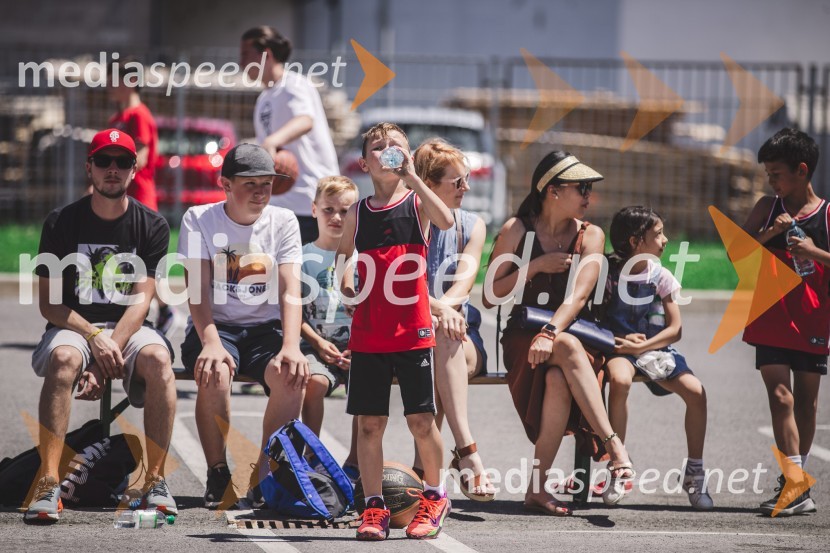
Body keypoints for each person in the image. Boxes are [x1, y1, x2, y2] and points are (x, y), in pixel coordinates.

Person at [26, 128, 177, 521]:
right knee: (62, 357)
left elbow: (141, 303)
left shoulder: (153, 226)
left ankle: (156, 481)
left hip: (125, 327)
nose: (113, 169)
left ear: (134, 170)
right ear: (88, 167)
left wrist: (102, 355)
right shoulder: (61, 222)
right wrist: (93, 338)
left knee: (159, 360)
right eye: (104, 161)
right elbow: (49, 304)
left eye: (122, 162)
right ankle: (47, 482)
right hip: (75, 326)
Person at [483, 150, 634, 515]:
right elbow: (490, 294)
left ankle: (536, 488)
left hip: (575, 335)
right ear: (552, 190)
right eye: (581, 187)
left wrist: (551, 331)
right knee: (563, 349)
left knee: (558, 377)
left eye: (589, 188)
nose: (588, 196)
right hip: (524, 338)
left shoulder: (591, 235)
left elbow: (581, 295)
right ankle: (617, 451)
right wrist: (535, 266)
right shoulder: (516, 230)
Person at [336, 123, 454, 540]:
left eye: (396, 146)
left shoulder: (417, 203)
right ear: (365, 162)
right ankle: (373, 507)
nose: (387, 151)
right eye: (377, 147)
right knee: (370, 424)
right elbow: (346, 258)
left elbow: (447, 218)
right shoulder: (358, 211)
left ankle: (436, 496)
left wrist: (412, 176)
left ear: (407, 155)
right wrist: (346, 279)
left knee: (421, 420)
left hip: (412, 330)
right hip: (370, 332)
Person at [177, 143, 309, 509]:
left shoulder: (283, 221)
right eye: (250, 183)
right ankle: (217, 471)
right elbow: (197, 292)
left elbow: (290, 291)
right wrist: (211, 341)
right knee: (215, 369)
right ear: (225, 184)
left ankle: (265, 475)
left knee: (291, 375)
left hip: (265, 330)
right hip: (215, 326)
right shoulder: (199, 219)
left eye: (266, 183)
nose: (260, 191)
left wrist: (292, 346)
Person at [740, 128, 827, 516]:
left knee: (806, 403)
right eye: (768, 174)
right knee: (781, 398)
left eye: (776, 173)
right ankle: (794, 484)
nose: (770, 181)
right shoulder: (766, 207)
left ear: (802, 170)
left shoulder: (826, 214)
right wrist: (769, 234)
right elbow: (739, 256)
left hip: (813, 320)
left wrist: (813, 251)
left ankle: (797, 484)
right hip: (770, 317)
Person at [603, 206, 712, 510]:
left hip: (655, 349)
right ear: (637, 241)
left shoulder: (661, 276)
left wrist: (645, 345)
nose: (665, 240)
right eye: (658, 234)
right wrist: (620, 343)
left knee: (697, 393)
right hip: (618, 349)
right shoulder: (608, 273)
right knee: (619, 380)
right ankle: (618, 466)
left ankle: (694, 472)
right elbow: (594, 319)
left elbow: (675, 329)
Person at [409, 139, 495, 501]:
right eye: (457, 182)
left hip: (458, 332)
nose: (467, 188)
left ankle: (426, 468)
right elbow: (398, 287)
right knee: (438, 346)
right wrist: (438, 311)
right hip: (409, 328)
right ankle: (465, 454)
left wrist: (443, 310)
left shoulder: (471, 225)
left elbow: (465, 281)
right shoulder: (403, 219)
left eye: (467, 179)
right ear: (428, 183)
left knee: (444, 340)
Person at [240, 25, 340, 244]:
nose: (241, 63)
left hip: (310, 200)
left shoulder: (294, 84)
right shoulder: (264, 99)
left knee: (309, 276)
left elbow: (305, 120)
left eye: (246, 55)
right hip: (280, 203)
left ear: (265, 54)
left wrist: (272, 141)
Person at [107, 58, 178, 335]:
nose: (109, 85)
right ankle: (148, 308)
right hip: (116, 199)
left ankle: (165, 308)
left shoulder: (139, 115)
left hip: (139, 197)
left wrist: (114, 178)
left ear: (132, 81)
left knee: (142, 259)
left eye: (115, 79)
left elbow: (142, 155)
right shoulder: (116, 119)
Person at [299, 175, 359, 479]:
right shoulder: (301, 257)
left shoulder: (364, 259)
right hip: (315, 345)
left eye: (345, 211)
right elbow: (293, 313)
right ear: (313, 209)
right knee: (314, 382)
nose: (336, 217)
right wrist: (319, 344)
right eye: (328, 210)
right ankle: (311, 455)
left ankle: (356, 461)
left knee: (366, 384)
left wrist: (358, 345)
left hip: (358, 347)